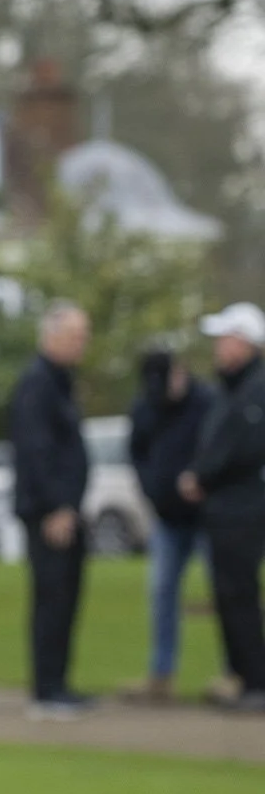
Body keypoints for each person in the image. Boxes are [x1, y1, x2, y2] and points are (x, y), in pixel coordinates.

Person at [10, 301, 94, 719]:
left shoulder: (60, 382)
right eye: (77, 335)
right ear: (53, 335)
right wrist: (56, 507)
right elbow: (36, 451)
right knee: (52, 596)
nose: (83, 344)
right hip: (50, 512)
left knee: (68, 597)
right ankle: (46, 690)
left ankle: (60, 682)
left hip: (67, 508)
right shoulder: (38, 384)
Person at [180, 302, 265, 712]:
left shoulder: (256, 388)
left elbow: (243, 448)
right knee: (229, 594)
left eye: (225, 339)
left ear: (245, 343)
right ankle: (241, 676)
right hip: (225, 508)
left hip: (243, 509)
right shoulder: (230, 388)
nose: (219, 347)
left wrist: (202, 477)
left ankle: (255, 681)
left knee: (239, 593)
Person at [125, 347, 215, 704]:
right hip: (166, 517)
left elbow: (221, 447)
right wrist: (152, 489)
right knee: (161, 593)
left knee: (229, 594)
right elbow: (137, 452)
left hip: (207, 517)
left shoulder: (207, 400)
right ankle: (161, 674)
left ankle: (237, 672)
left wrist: (201, 477)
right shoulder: (147, 404)